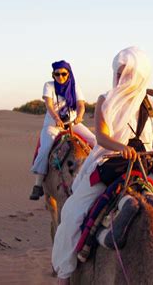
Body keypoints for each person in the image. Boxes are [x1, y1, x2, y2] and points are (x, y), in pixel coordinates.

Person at [52, 47, 153, 284]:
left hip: (145, 169)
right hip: (110, 164)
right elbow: (102, 137)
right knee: (72, 211)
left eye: (126, 72)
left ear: (140, 74)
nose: (120, 76)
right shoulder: (106, 100)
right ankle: (65, 275)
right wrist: (118, 147)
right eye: (118, 70)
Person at [29, 60, 96, 200]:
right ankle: (38, 184)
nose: (60, 77)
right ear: (53, 75)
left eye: (63, 74)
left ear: (68, 74)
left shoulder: (74, 87)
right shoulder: (49, 86)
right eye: (57, 74)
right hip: (53, 124)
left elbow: (80, 105)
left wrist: (79, 116)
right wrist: (56, 118)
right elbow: (49, 105)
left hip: (72, 123)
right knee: (46, 147)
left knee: (95, 141)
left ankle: (100, 175)